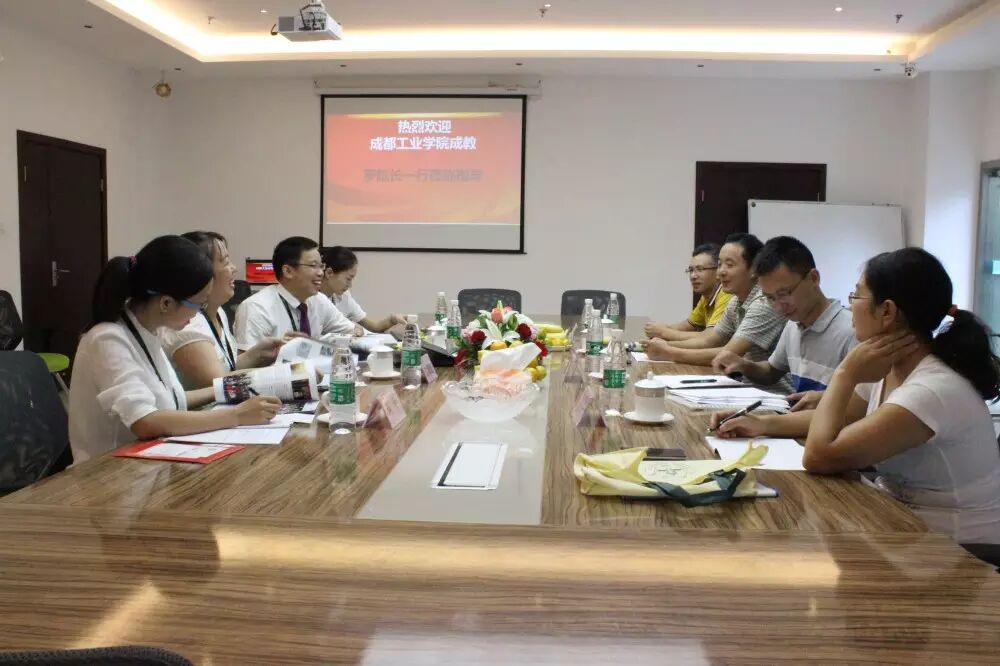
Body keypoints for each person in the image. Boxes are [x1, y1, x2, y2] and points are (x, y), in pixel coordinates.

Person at [712, 248, 1000, 544]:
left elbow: (819, 456)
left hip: (956, 546)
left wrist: (845, 374)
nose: (850, 305)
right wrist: (761, 423)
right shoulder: (892, 366)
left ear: (887, 311)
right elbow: (842, 417)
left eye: (856, 295)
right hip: (903, 520)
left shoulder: (931, 388)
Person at [69, 235, 281, 464]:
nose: (198, 313)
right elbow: (145, 421)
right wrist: (236, 415)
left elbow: (171, 400)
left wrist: (234, 387)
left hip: (151, 461)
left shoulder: (149, 331)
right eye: (199, 304)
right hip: (108, 472)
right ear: (166, 303)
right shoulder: (107, 338)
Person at [711, 236, 855, 408]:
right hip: (797, 419)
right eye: (770, 298)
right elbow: (772, 371)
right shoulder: (793, 324)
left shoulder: (851, 331)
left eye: (784, 294)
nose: (779, 306)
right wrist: (743, 365)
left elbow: (864, 404)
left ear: (814, 278)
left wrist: (826, 400)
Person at [159, 231, 284, 389]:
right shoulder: (187, 323)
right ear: (200, 272)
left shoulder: (217, 311)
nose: (234, 268)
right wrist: (283, 373)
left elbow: (225, 367)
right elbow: (220, 385)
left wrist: (259, 353)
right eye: (225, 262)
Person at [646, 233, 787, 367]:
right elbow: (710, 340)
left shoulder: (764, 303)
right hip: (743, 381)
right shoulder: (735, 301)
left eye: (729, 265)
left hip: (766, 385)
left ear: (753, 270)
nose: (721, 272)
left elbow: (728, 354)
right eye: (720, 264)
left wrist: (668, 351)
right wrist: (664, 345)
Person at [235, 236, 355, 347]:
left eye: (321, 266)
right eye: (313, 266)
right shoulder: (257, 308)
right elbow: (246, 361)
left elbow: (353, 330)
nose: (320, 273)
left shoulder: (318, 300)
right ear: (288, 271)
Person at [645, 243, 732, 342]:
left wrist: (663, 332)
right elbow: (688, 325)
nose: (693, 276)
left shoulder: (726, 294)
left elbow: (709, 337)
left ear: (718, 271)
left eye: (700, 269)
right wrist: (662, 328)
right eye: (691, 270)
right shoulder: (706, 296)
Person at [319, 246, 405, 334]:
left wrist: (393, 320)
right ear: (329, 273)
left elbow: (374, 327)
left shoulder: (343, 296)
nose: (350, 285)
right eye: (348, 279)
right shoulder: (313, 299)